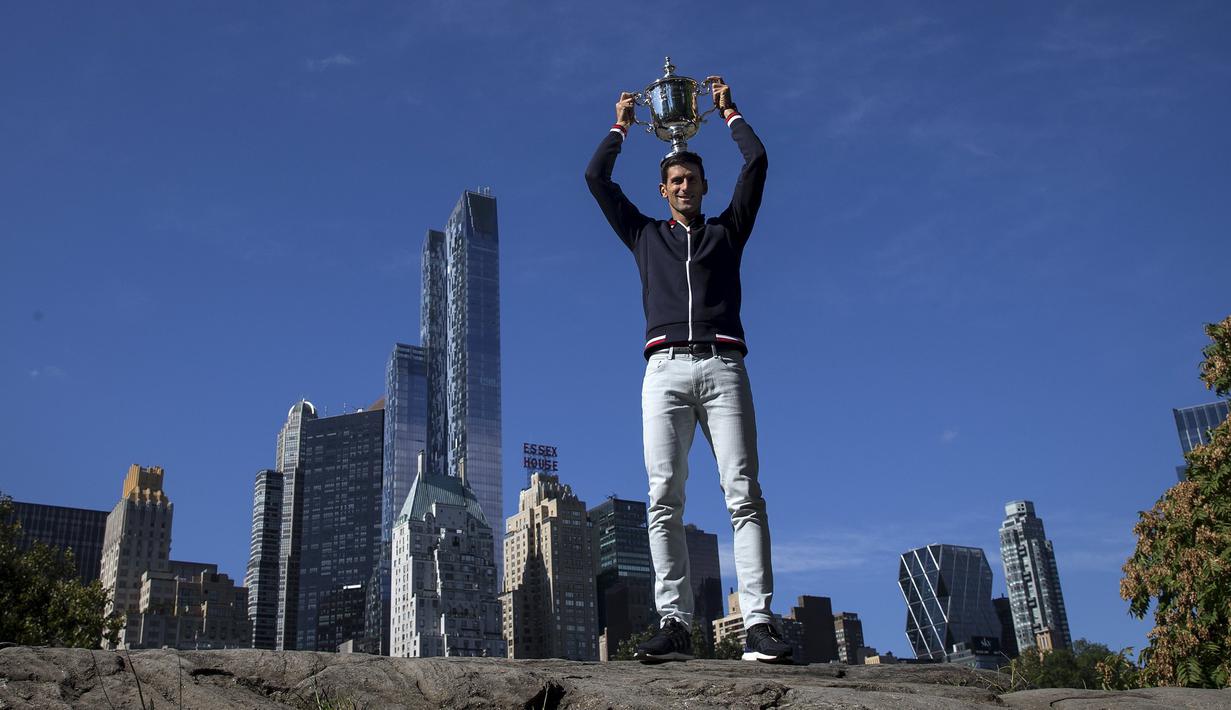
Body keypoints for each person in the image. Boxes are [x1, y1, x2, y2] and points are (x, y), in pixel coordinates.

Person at [585, 77, 792, 664]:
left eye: (692, 180)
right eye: (674, 181)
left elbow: (757, 162)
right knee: (663, 498)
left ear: (703, 186)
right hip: (664, 371)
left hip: (725, 366)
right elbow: (596, 179)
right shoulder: (644, 235)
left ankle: (756, 624)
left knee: (743, 494)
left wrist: (728, 110)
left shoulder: (729, 230)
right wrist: (621, 123)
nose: (683, 186)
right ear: (664, 189)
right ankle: (674, 623)